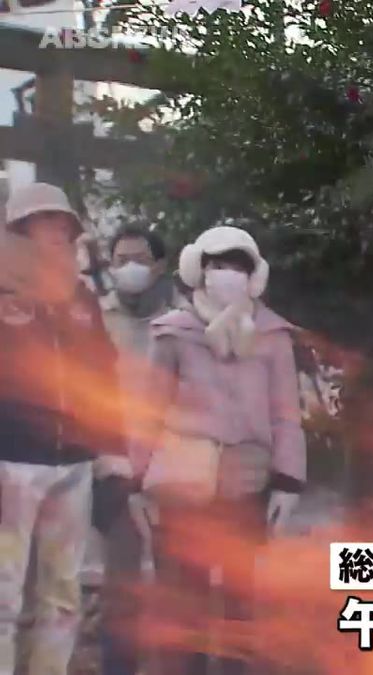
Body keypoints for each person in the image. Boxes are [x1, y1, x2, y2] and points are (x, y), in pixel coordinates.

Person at [129, 225, 305, 675]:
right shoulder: (173, 332)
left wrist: (288, 483)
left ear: (253, 277)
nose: (226, 275)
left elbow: (285, 414)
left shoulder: (272, 335)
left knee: (238, 608)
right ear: (200, 270)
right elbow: (150, 409)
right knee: (183, 607)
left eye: (236, 267)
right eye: (218, 265)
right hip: (182, 484)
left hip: (247, 483)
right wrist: (135, 481)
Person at [0, 183, 128, 675]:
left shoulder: (82, 299)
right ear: (19, 231)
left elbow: (105, 377)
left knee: (63, 596)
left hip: (73, 466)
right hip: (10, 464)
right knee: (5, 596)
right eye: (46, 223)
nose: (59, 233)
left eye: (65, 226)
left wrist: (113, 457)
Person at [94, 225, 186, 675]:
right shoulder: (94, 319)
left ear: (159, 266)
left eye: (138, 258)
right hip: (116, 469)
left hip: (172, 471)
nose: (128, 267)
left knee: (175, 586)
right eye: (120, 259)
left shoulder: (184, 324)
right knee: (123, 586)